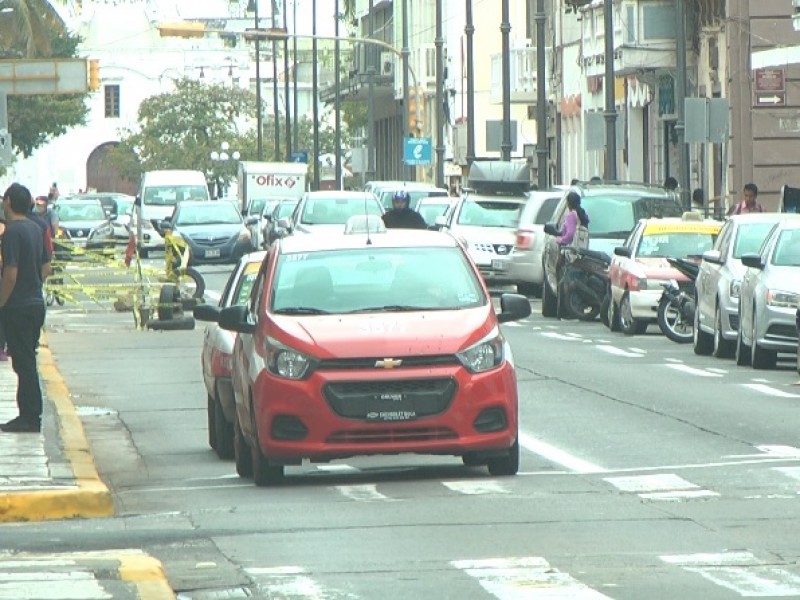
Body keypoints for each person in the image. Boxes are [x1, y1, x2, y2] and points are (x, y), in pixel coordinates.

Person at [0, 183, 52, 433]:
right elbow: (46, 266)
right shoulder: (36, 228)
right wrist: (34, 285)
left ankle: (30, 417)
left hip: (18, 306)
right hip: (35, 303)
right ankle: (29, 415)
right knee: (26, 360)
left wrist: (2, 302)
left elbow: (10, 273)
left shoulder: (11, 233)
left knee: (23, 363)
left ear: (8, 201)